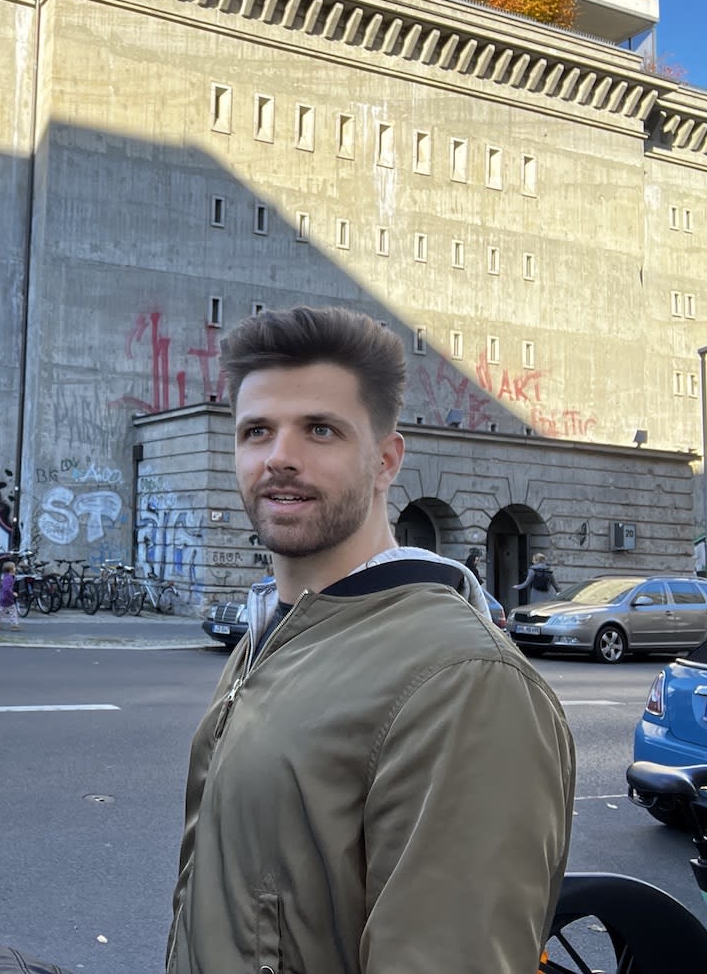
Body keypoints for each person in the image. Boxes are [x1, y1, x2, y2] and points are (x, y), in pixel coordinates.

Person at [167, 305, 574, 974]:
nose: (279, 457)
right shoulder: (273, 632)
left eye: (319, 429)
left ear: (386, 459)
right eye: (256, 431)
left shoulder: (463, 679)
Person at [0, 558, 21, 631]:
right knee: (12, 611)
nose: (15, 568)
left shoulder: (7, 576)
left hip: (4, 597)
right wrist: (13, 593)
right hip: (8, 597)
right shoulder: (9, 578)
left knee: (1, 610)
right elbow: (7, 588)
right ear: (11, 569)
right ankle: (14, 625)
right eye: (14, 567)